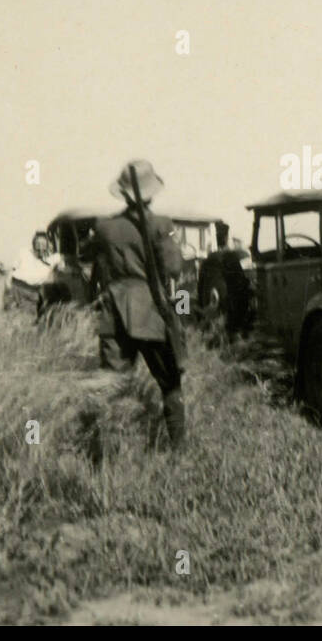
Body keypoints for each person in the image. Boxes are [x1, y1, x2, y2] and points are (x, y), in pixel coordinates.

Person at [81, 160, 186, 448]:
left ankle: (105, 451)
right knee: (170, 384)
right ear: (152, 193)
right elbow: (174, 267)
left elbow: (84, 253)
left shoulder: (104, 228)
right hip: (151, 310)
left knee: (111, 385)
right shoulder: (162, 225)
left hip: (113, 311)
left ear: (124, 195)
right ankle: (179, 450)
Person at [6, 231, 66, 316]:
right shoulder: (24, 252)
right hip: (15, 288)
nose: (40, 248)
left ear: (47, 246)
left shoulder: (54, 258)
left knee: (28, 320)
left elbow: (62, 266)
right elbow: (12, 270)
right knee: (10, 318)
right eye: (38, 245)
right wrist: (8, 286)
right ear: (33, 245)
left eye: (43, 245)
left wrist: (60, 263)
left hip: (32, 293)